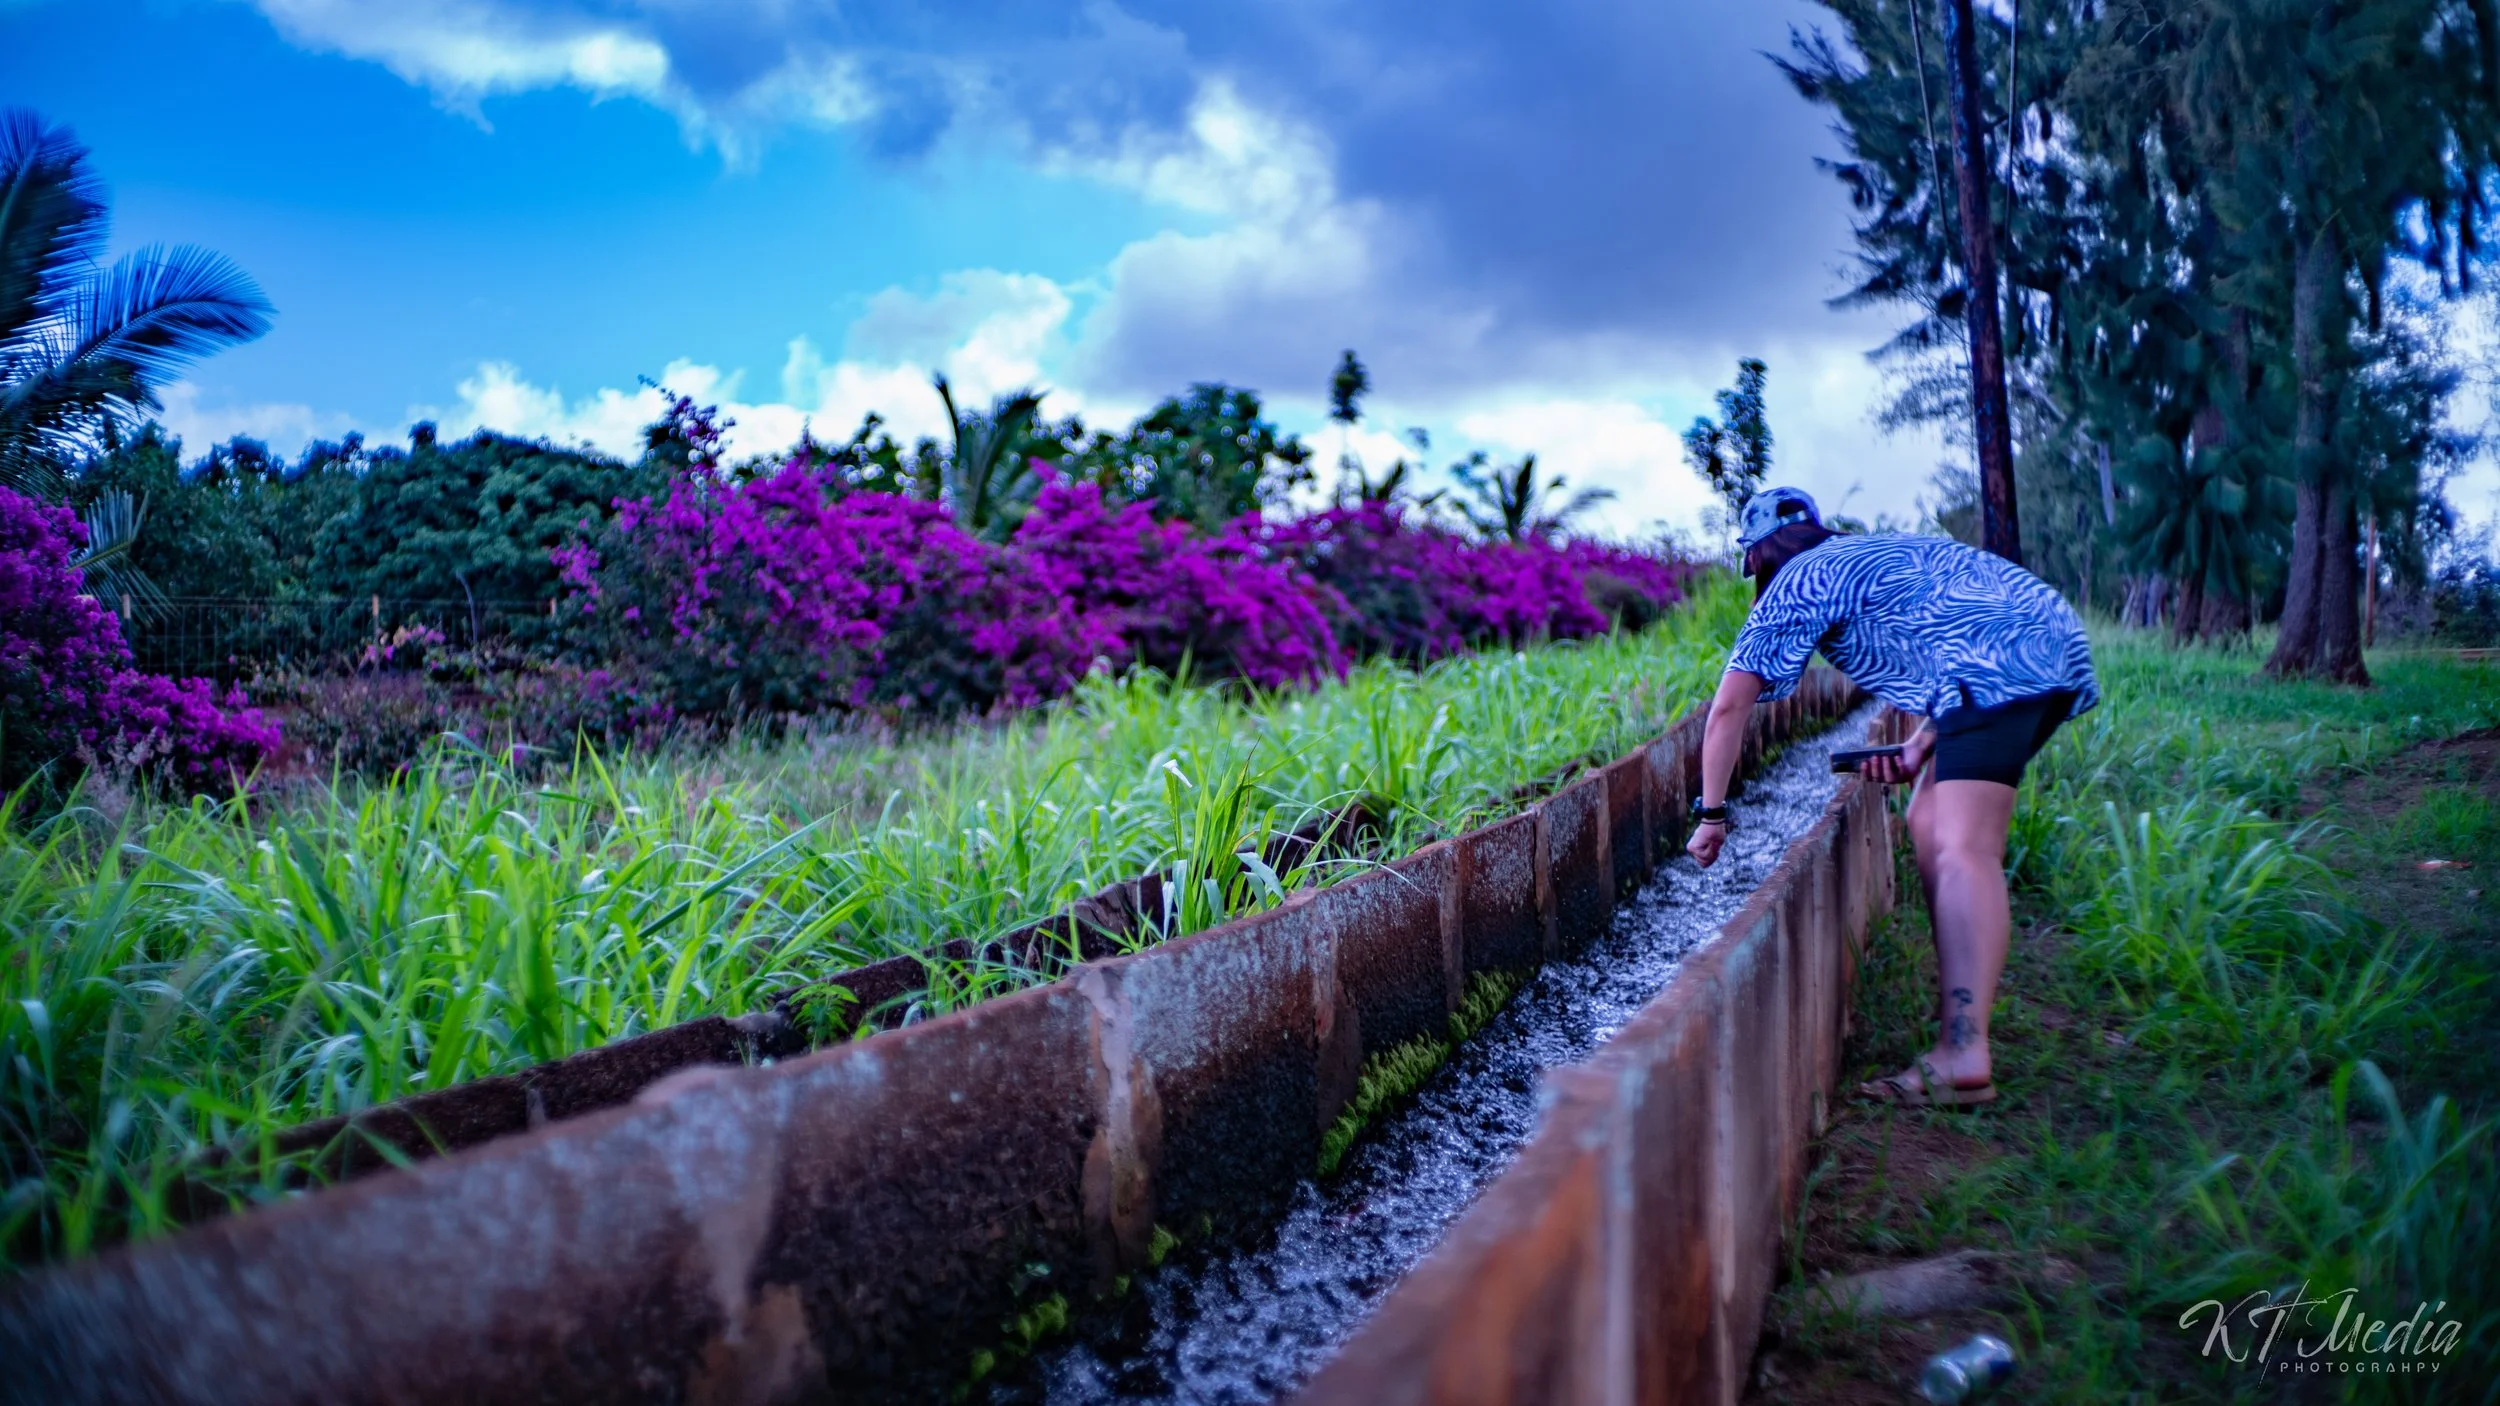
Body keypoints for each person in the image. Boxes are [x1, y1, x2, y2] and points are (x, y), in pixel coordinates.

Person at [1684, 487, 2097, 1107]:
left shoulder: (1798, 581)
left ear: (1760, 556)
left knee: (1962, 848)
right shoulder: (1867, 553)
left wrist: (1711, 814)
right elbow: (1951, 633)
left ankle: (1964, 1052)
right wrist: (1917, 748)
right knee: (1928, 816)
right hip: (2038, 639)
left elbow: (1727, 709)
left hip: (2003, 659)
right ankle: (1959, 1030)